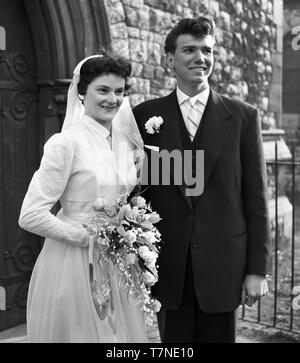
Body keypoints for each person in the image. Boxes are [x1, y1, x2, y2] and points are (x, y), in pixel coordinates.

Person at [133, 17, 272, 343]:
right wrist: (138, 258)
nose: (201, 57)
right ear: (170, 59)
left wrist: (257, 270)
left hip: (224, 265)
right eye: (190, 49)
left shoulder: (243, 117)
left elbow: (257, 199)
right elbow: (139, 193)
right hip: (168, 267)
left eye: (207, 50)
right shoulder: (145, 116)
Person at [18, 52, 147, 343]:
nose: (112, 99)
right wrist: (84, 237)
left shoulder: (125, 144)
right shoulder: (66, 143)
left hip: (117, 262)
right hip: (73, 262)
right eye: (102, 90)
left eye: (119, 91)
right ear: (81, 93)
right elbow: (30, 215)